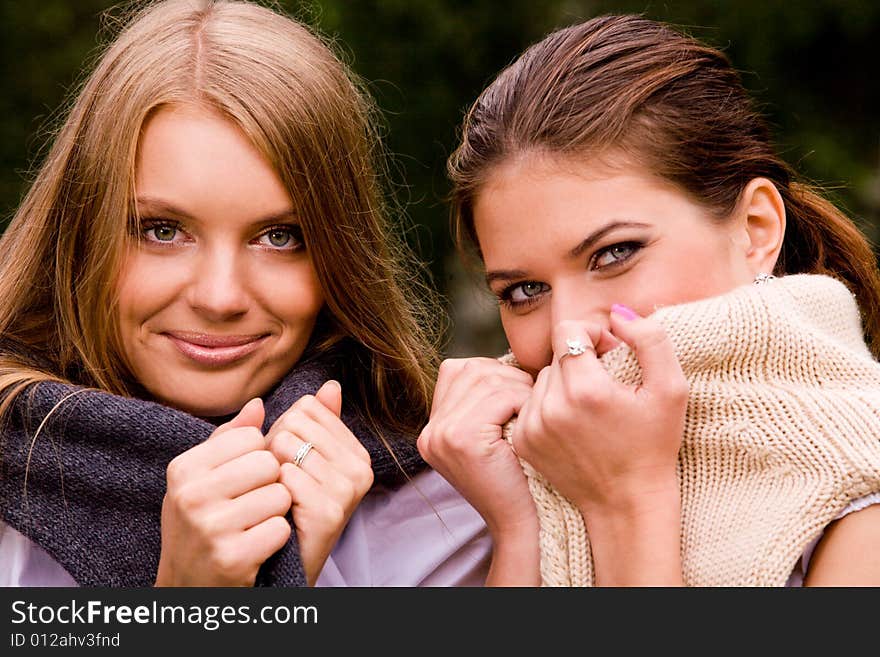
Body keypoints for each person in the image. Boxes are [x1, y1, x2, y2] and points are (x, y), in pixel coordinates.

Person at [0, 0, 489, 587]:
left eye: (279, 237)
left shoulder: (449, 508)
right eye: (162, 231)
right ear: (79, 236)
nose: (220, 296)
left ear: (340, 255)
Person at [418, 14, 880, 586]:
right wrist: (521, 529)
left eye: (614, 254)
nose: (570, 332)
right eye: (525, 291)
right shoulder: (484, 482)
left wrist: (626, 502)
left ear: (756, 229)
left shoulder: (860, 482)